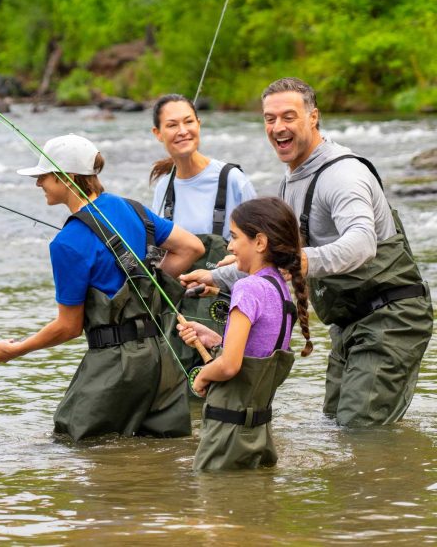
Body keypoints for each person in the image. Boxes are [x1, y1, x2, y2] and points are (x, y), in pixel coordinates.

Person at [182, 77, 433, 427]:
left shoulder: (343, 175)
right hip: (349, 323)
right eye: (270, 119)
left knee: (362, 430)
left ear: (313, 118)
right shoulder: (291, 177)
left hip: (391, 317)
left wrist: (301, 260)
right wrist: (214, 277)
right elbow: (274, 259)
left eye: (289, 117)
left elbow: (362, 242)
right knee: (334, 424)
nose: (278, 127)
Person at [0, 134, 205, 441]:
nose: (38, 184)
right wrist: (148, 284)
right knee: (161, 448)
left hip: (116, 365)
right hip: (162, 358)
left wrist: (16, 350)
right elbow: (191, 248)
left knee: (72, 441)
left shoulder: (67, 243)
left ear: (69, 179)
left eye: (43, 177)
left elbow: (69, 327)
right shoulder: (130, 207)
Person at [177, 197, 313, 470]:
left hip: (227, 434)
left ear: (260, 242)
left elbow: (229, 366)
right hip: (259, 434)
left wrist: (202, 377)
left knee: (213, 502)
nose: (229, 246)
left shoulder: (248, 288)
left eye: (235, 237)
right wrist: (213, 339)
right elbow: (258, 352)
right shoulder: (278, 289)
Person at [149, 93, 257, 373]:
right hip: (181, 314)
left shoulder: (231, 180)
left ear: (199, 124)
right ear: (158, 133)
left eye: (188, 122)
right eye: (172, 125)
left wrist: (226, 267)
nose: (183, 131)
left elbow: (263, 251)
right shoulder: (164, 187)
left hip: (229, 308)